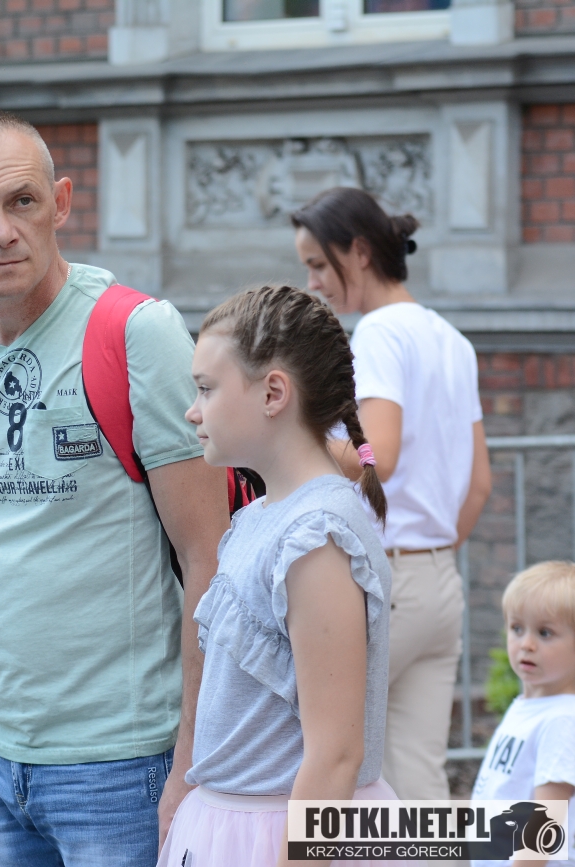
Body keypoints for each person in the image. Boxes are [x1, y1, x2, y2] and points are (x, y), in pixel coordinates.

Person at [0, 109, 229, 867]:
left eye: (21, 200)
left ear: (61, 202)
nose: (1, 231)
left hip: (125, 764)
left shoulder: (134, 332)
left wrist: (190, 761)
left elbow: (209, 558)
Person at [159, 283, 397, 867]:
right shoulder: (261, 516)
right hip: (233, 827)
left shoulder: (316, 536)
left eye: (206, 389)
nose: (193, 411)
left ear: (272, 393)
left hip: (280, 836)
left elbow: (335, 755)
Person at [293, 187, 493, 802]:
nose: (312, 282)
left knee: (327, 764)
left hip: (389, 581)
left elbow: (378, 453)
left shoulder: (379, 332)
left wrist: (293, 443)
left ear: (359, 252)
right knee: (418, 786)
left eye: (319, 264)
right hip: (437, 584)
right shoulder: (452, 339)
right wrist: (430, 557)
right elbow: (479, 484)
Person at [471, 561, 575, 867]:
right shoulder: (527, 706)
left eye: (545, 633)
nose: (526, 644)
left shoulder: (562, 720)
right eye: (517, 628)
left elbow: (545, 823)